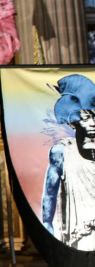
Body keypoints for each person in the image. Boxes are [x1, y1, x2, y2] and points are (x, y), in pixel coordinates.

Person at [41, 74, 95, 250]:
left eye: (94, 116)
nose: (93, 123)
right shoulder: (62, 151)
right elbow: (50, 193)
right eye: (86, 118)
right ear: (74, 123)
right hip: (80, 233)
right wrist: (47, 226)